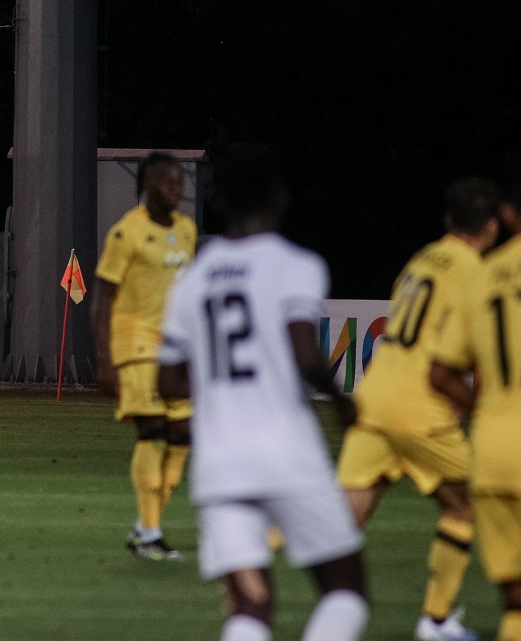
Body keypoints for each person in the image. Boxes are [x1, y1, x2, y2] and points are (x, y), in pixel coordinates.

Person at [158, 146, 369, 641]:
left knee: (250, 607)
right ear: (280, 197)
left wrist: (216, 388)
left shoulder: (191, 282)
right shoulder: (297, 265)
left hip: (220, 464)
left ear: (220, 201)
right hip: (286, 451)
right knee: (345, 589)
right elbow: (304, 353)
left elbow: (167, 382)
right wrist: (342, 403)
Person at [334, 178, 501, 641]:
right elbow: (469, 355)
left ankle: (255, 547)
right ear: (490, 229)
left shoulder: (423, 258)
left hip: (375, 399)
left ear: (449, 220)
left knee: (341, 522)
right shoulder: (475, 271)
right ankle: (436, 620)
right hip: (420, 407)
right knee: (465, 506)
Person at [94, 152, 199, 560]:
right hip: (134, 340)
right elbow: (102, 300)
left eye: (178, 181)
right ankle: (152, 534)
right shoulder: (127, 234)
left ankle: (144, 526)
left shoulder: (188, 231)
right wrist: (105, 360)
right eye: (165, 181)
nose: (175, 188)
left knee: (182, 436)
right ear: (145, 186)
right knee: (152, 429)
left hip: (174, 345)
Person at [431, 173, 521, 641]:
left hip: (493, 449)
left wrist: (488, 410)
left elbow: (441, 374)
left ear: (506, 214)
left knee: (515, 602)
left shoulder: (481, 275)